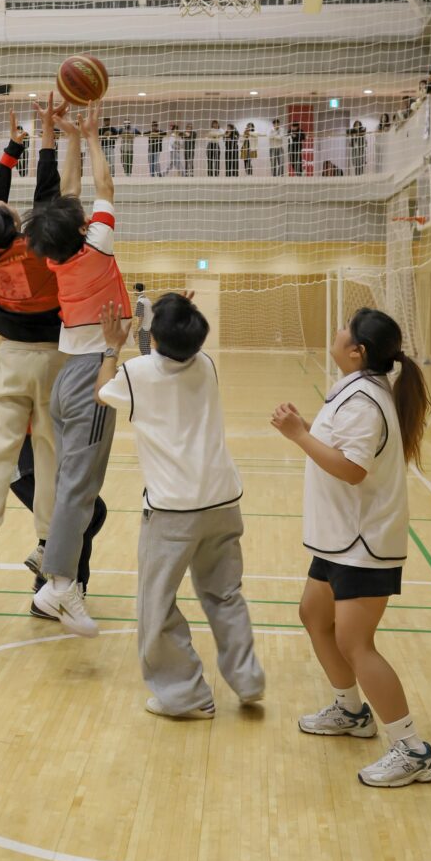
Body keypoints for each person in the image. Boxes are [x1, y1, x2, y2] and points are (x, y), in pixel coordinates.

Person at [270, 307, 431, 788]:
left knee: (355, 643)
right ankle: (350, 711)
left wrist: (298, 435)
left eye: (345, 326)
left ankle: (413, 750)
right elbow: (344, 450)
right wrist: (308, 429)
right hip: (340, 538)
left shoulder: (366, 401)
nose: (337, 329)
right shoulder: (356, 388)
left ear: (358, 351)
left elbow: (352, 469)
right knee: (313, 614)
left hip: (363, 543)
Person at [96, 293, 264, 718]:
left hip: (173, 511)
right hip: (223, 500)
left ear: (153, 337)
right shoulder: (205, 364)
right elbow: (177, 348)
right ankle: (247, 678)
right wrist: (179, 316)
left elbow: (102, 393)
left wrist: (112, 346)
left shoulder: (135, 373)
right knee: (225, 593)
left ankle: (185, 694)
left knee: (156, 604)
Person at [23, 104, 132, 636]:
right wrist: (90, 136)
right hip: (93, 376)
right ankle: (60, 585)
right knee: (79, 486)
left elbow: (67, 197)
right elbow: (103, 186)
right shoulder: (97, 246)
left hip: (68, 373)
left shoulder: (56, 256)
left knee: (72, 481)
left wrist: (66, 138)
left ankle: (54, 573)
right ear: (84, 228)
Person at [0, 101, 64, 591]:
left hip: (11, 358)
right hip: (54, 360)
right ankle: (44, 542)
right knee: (48, 455)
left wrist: (12, 149)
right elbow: (48, 193)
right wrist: (46, 139)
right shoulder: (40, 245)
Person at [13, 432, 108, 617]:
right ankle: (61, 591)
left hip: (41, 459)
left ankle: (50, 578)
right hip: (29, 463)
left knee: (94, 512)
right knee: (81, 513)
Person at [132, 283, 153, 355]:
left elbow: (140, 317)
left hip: (143, 328)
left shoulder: (140, 302)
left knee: (143, 348)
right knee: (147, 347)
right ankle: (149, 360)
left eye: (134, 290)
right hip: (149, 327)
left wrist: (135, 330)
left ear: (137, 290)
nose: (133, 292)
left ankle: (148, 361)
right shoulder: (148, 300)